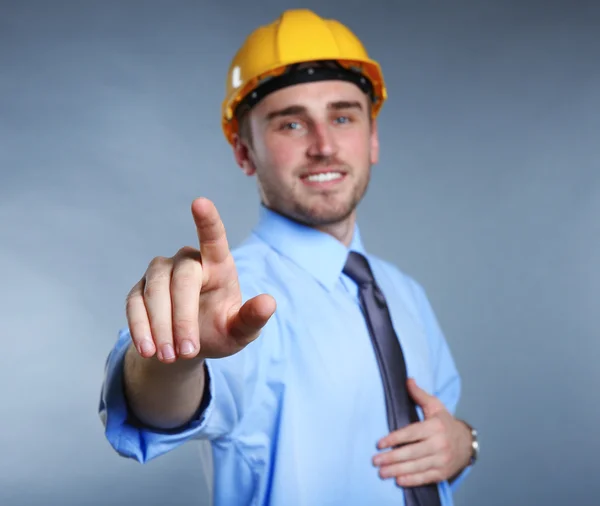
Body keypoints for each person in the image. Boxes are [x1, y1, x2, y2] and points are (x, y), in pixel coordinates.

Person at [99, 8, 479, 506]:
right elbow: (159, 407)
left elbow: (443, 427)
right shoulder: (235, 301)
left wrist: (463, 443)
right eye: (291, 124)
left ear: (373, 138)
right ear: (244, 152)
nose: (324, 146)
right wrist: (176, 356)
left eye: (343, 117)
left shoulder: (405, 294)